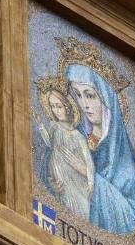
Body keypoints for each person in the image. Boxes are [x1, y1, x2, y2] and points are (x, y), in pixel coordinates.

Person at [66, 63, 135, 234]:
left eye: (90, 96)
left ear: (107, 100)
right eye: (78, 95)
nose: (84, 104)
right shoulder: (73, 136)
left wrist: (89, 175)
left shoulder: (129, 170)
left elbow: (132, 220)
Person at [34, 88, 95, 219]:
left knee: (80, 211)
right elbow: (49, 143)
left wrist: (90, 181)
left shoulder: (78, 136)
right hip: (61, 181)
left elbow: (88, 160)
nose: (56, 110)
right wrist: (40, 125)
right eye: (52, 106)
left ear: (67, 107)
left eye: (59, 106)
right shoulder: (54, 127)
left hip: (76, 181)